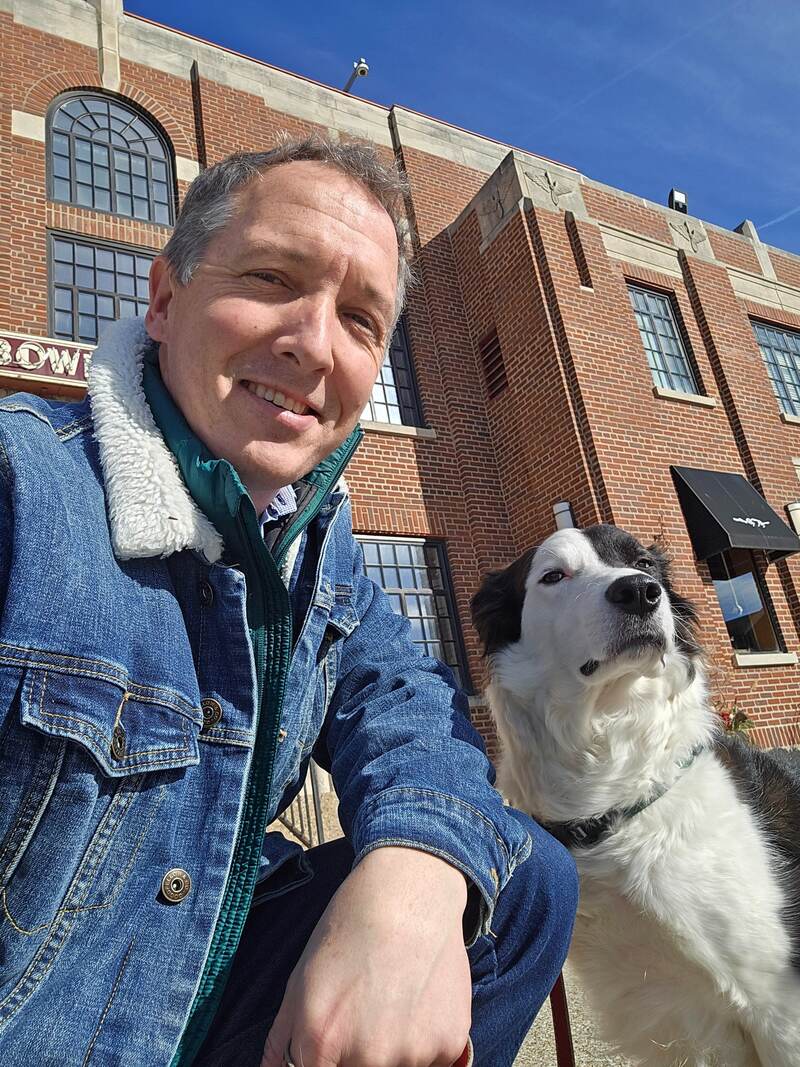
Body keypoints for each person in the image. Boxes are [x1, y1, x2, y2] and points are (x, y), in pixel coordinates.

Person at [0, 136, 577, 1067]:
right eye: (272, 278)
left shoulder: (317, 551)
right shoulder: (22, 485)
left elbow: (413, 705)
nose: (313, 343)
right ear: (163, 299)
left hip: (208, 996)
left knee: (522, 880)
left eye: (360, 319)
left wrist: (417, 877)